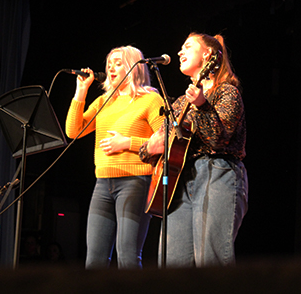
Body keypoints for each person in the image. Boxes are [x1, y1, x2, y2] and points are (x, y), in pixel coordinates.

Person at [139, 32, 248, 267]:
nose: (180, 52)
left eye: (187, 46)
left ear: (207, 54)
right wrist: (150, 147)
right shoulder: (179, 103)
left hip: (217, 171)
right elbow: (151, 149)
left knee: (211, 261)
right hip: (179, 181)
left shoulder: (227, 92)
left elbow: (219, 138)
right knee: (172, 266)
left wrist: (202, 105)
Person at [65, 45, 164, 269]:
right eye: (109, 64)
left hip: (136, 181)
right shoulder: (103, 102)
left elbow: (166, 142)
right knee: (94, 261)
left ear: (133, 67)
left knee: (127, 256)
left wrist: (127, 143)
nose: (111, 68)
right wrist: (81, 91)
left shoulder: (150, 100)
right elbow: (73, 131)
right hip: (102, 184)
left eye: (118, 63)